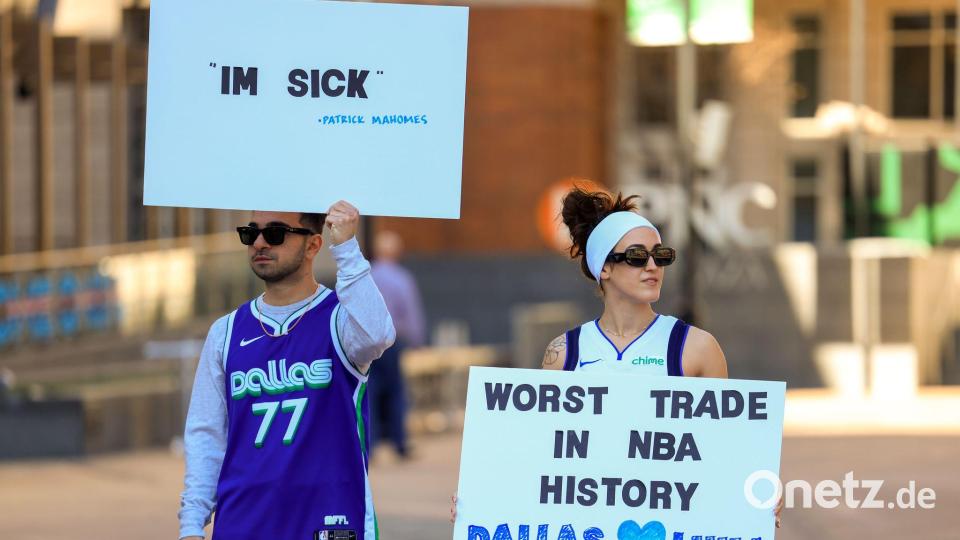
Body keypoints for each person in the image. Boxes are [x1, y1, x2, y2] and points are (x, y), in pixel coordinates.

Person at [540, 186, 782, 528]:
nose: (653, 266)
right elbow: (540, 461)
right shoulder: (563, 353)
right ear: (604, 268)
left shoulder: (696, 347)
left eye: (661, 255)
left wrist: (755, 495)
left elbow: (728, 451)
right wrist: (481, 501)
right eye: (637, 257)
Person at [179, 201, 396, 540]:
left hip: (331, 520)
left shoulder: (339, 321)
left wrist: (347, 247)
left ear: (313, 244)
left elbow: (379, 334)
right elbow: (206, 434)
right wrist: (191, 524)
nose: (260, 243)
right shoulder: (226, 331)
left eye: (275, 233)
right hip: (243, 524)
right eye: (250, 233)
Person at [368, 230, 426, 458]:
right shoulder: (402, 278)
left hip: (367, 340)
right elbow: (410, 312)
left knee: (369, 392)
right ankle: (399, 443)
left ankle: (369, 446)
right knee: (396, 391)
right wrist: (417, 340)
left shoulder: (365, 275)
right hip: (393, 341)